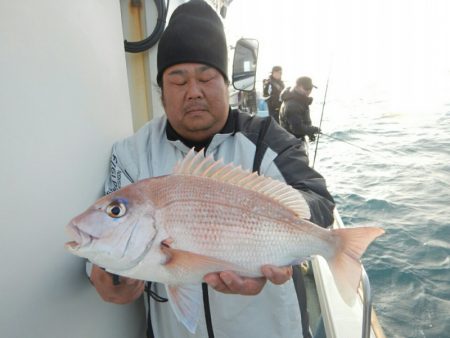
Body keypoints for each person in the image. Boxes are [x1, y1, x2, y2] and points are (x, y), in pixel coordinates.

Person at [88, 1, 335, 337]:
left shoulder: (267, 140)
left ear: (227, 84)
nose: (194, 92)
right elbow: (108, 229)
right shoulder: (132, 153)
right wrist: (103, 272)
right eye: (177, 80)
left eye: (206, 77)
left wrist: (265, 218)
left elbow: (320, 202)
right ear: (161, 92)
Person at [279, 76, 321, 141]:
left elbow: (302, 121)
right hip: (291, 143)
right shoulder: (293, 105)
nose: (309, 91)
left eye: (310, 88)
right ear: (297, 87)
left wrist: (309, 133)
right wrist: (313, 130)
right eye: (306, 88)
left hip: (296, 140)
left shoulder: (299, 100)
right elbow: (297, 128)